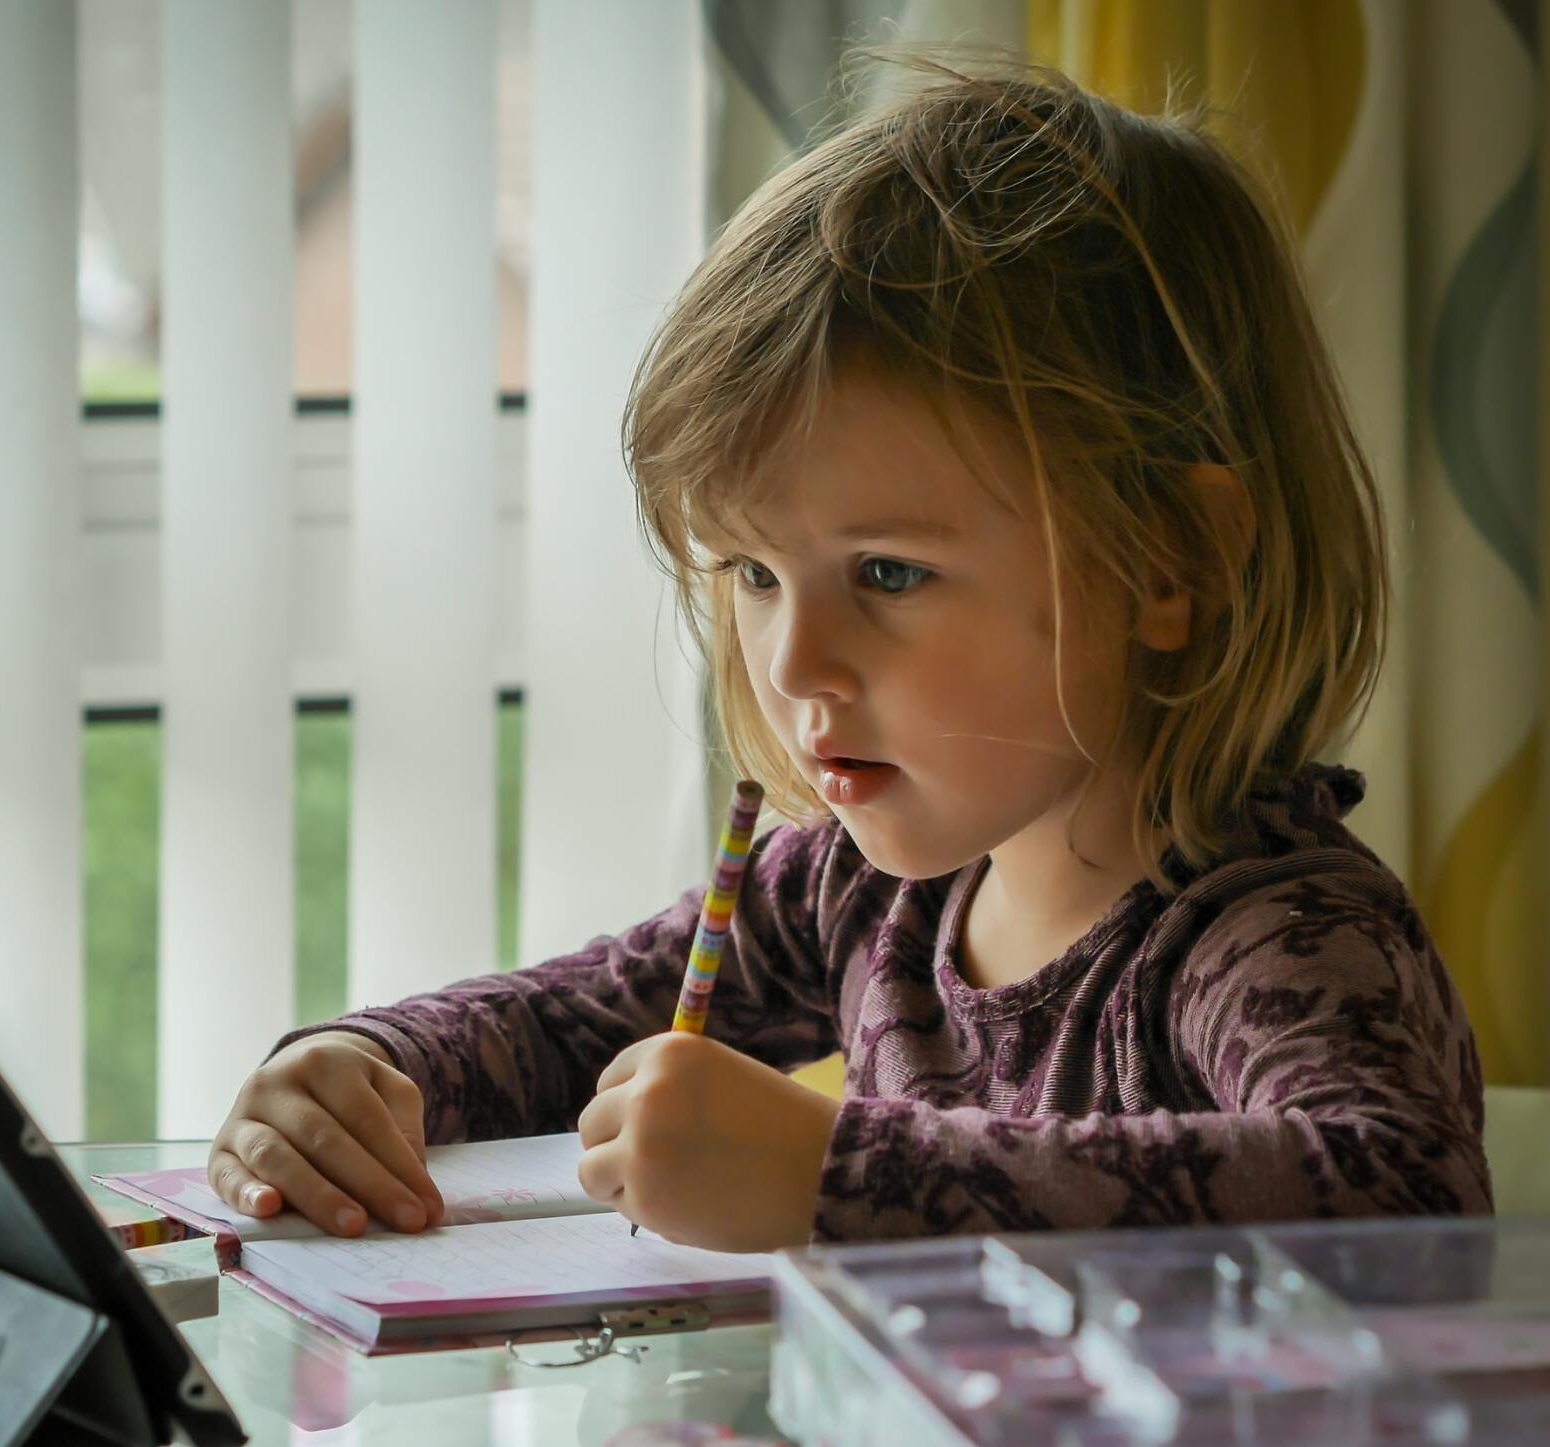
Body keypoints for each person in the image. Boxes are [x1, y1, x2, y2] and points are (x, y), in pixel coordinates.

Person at [207, 52, 1491, 1252]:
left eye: (888, 573)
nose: (794, 664)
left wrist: (839, 1174)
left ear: (1170, 563)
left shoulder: (1274, 933)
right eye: (755, 575)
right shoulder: (852, 895)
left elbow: (1402, 1195)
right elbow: (552, 1028)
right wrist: (360, 1068)